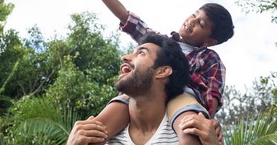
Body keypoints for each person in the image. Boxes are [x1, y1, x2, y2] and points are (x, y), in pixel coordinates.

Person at [67, 0, 233, 144]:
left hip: (183, 95)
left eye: (200, 23)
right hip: (145, 90)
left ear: (210, 41)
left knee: (191, 128)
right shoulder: (158, 43)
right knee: (98, 127)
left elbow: (212, 94)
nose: (191, 21)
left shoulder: (211, 59)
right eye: (194, 14)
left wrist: (207, 120)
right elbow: (127, 18)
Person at [66, 32, 221, 145]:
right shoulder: (102, 135)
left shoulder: (195, 131)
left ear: (162, 71)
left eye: (141, 53)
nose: (124, 57)